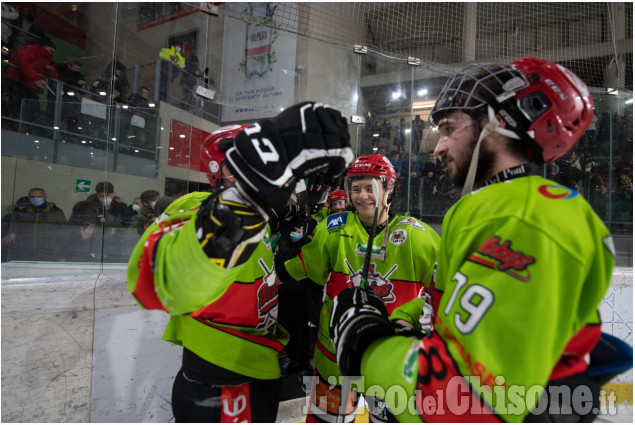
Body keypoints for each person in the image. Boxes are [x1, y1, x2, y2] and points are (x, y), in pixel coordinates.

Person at [329, 57, 628, 422]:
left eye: (448, 128)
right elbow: (447, 311)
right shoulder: (481, 208)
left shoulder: (531, 219)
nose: (438, 149)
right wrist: (403, 321)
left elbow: (471, 400)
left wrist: (369, 349)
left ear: (496, 125)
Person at [126, 102, 354, 422]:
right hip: (219, 377)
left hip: (260, 365)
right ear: (220, 168)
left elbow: (295, 249)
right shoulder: (199, 206)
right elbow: (158, 281)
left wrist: (306, 210)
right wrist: (247, 200)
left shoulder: (261, 219)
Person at [276, 154, 440, 423]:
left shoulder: (419, 237)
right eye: (356, 189)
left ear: (389, 189)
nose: (362, 196)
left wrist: (412, 319)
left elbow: (443, 291)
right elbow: (305, 265)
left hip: (392, 358)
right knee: (325, 420)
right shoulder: (333, 229)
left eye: (371, 188)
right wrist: (270, 281)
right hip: (335, 354)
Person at [1, 187, 67, 261]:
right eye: (32, 197)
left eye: (38, 197)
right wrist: (12, 232)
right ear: (29, 197)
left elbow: (64, 230)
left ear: (45, 197)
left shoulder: (55, 211)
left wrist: (60, 247)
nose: (35, 199)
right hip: (25, 250)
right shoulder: (22, 211)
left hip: (48, 250)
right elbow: (15, 225)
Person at [4, 37, 58, 124]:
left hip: (25, 82)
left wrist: (50, 72)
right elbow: (25, 63)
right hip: (18, 80)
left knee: (26, 106)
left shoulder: (49, 59)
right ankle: (12, 123)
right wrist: (36, 79)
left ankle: (17, 124)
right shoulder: (31, 49)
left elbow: (54, 73)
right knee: (18, 104)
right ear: (44, 45)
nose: (52, 50)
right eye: (51, 47)